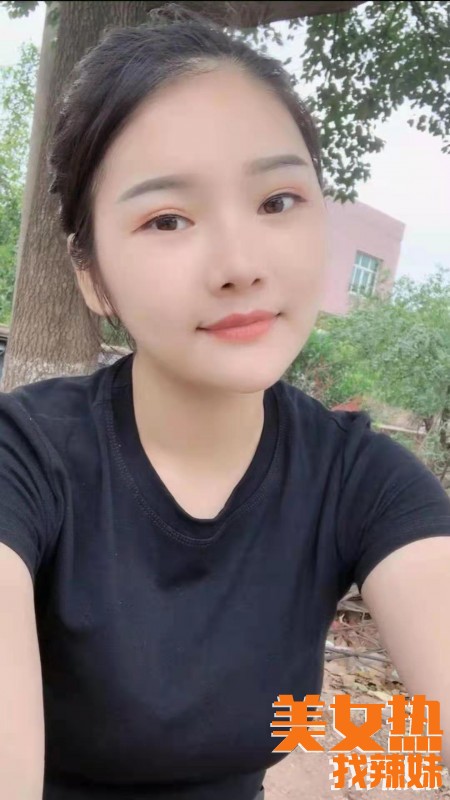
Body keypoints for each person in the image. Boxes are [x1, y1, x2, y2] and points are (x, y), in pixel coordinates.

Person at [0, 3, 449, 799]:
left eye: (277, 201)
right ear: (92, 276)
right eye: (168, 218)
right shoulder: (24, 456)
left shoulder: (362, 480)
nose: (240, 264)